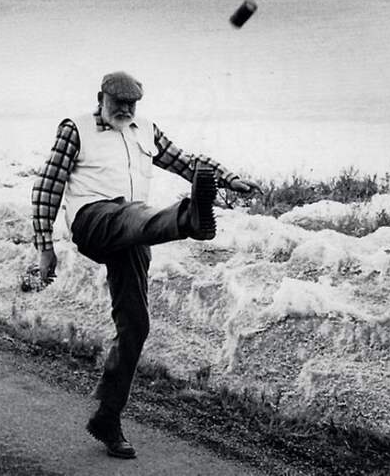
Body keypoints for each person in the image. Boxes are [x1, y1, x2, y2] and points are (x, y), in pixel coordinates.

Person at [31, 71, 260, 459]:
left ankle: (107, 417)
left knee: (136, 324)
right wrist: (44, 246)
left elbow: (186, 161)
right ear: (100, 97)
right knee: (132, 214)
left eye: (130, 104)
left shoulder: (145, 130)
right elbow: (48, 186)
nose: (124, 109)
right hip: (94, 220)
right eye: (117, 102)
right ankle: (189, 219)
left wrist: (227, 178)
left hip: (135, 233)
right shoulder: (77, 129)